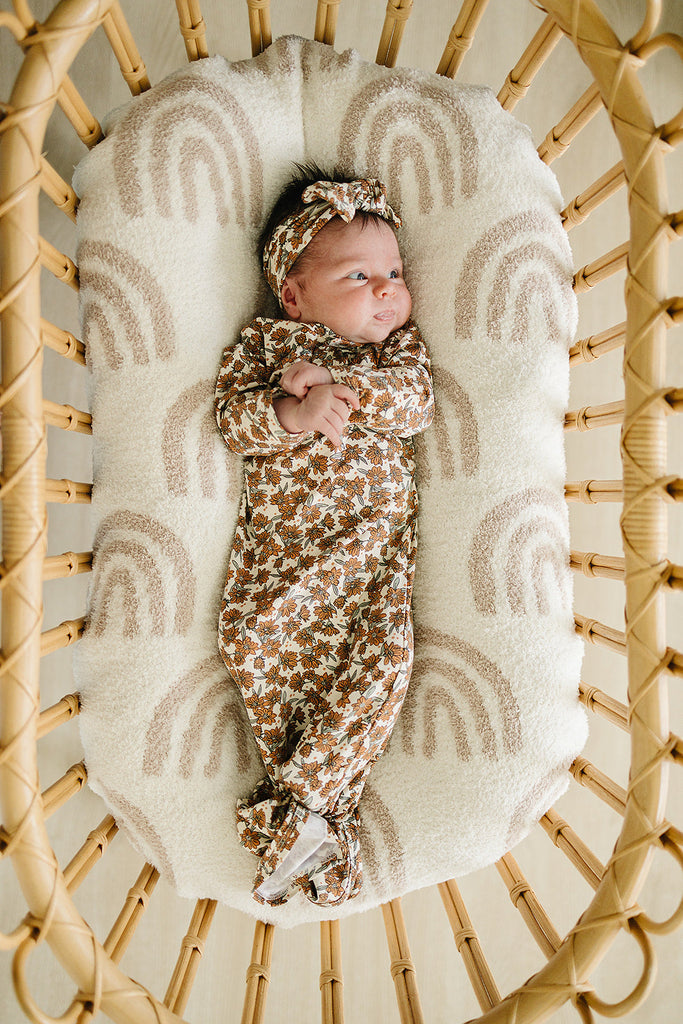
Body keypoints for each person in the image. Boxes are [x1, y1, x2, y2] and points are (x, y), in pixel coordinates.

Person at [214, 168, 434, 907]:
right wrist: (290, 412)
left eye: (394, 273)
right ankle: (314, 825)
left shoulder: (394, 357)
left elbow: (415, 406)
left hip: (368, 564)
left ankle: (301, 811)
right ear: (293, 295)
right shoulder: (265, 348)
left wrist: (347, 389)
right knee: (252, 647)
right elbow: (232, 421)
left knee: (385, 667)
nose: (387, 289)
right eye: (360, 275)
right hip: (282, 563)